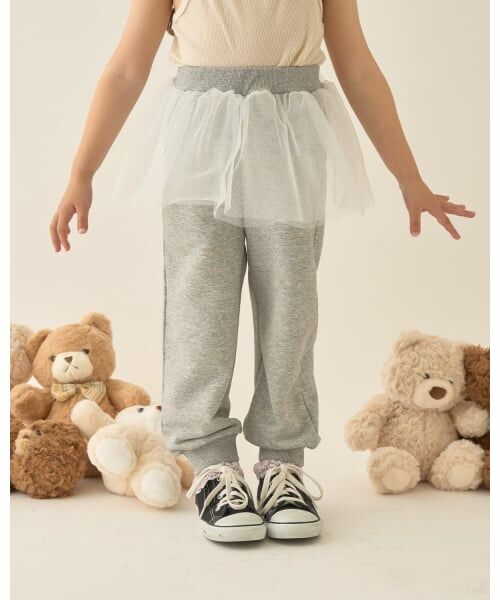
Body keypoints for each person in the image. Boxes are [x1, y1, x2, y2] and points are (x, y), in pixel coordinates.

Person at [49, 0, 475, 543]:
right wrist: (81, 172)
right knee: (199, 306)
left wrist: (408, 177)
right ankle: (211, 463)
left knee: (290, 309)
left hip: (290, 140)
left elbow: (358, 66)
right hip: (200, 141)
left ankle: (282, 462)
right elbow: (127, 67)